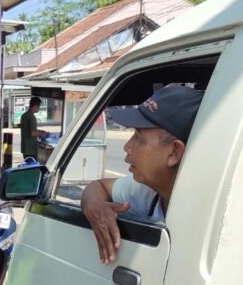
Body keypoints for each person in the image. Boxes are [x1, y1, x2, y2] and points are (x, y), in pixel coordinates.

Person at [80, 84, 204, 264]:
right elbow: (98, 186)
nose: (127, 147)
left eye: (139, 137)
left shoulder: (205, 218)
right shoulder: (148, 191)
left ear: (174, 153)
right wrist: (94, 205)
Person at [20, 96, 47, 161]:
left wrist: (40, 131)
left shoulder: (24, 115)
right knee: (32, 167)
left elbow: (29, 129)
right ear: (35, 106)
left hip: (25, 148)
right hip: (31, 149)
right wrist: (42, 134)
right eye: (39, 106)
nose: (39, 108)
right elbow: (32, 133)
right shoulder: (32, 117)